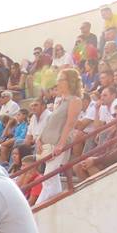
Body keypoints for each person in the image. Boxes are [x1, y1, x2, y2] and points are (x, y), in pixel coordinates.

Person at [36, 68, 84, 203]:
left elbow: (70, 124)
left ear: (70, 82)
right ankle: (55, 203)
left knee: (48, 178)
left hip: (57, 143)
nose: (57, 83)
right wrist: (39, 139)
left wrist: (61, 144)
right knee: (52, 179)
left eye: (60, 80)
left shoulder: (75, 100)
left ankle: (37, 208)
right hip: (48, 142)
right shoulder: (60, 100)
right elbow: (51, 122)